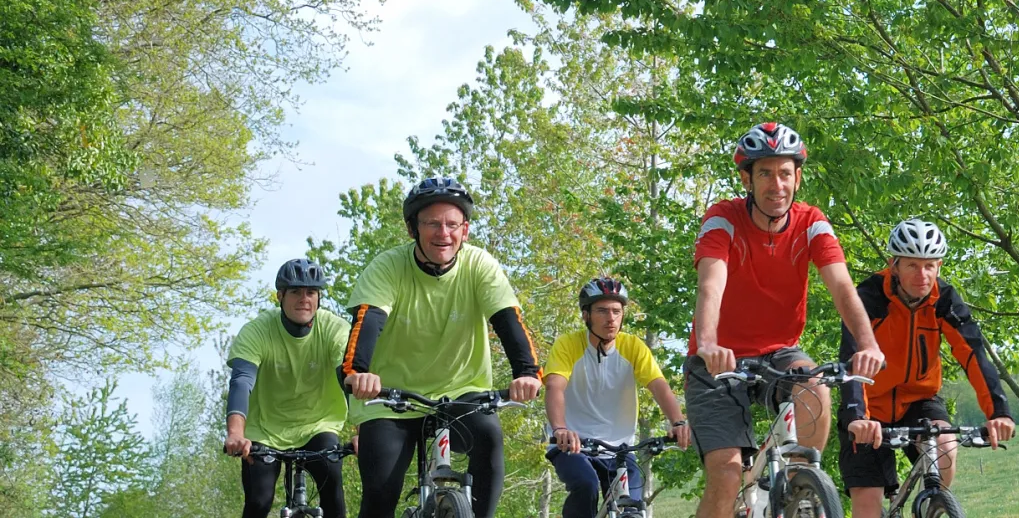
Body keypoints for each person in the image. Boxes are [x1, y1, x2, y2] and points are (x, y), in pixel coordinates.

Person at [685, 122, 887, 518]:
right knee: (726, 474)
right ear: (747, 178)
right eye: (764, 173)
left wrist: (868, 344)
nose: (776, 184)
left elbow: (843, 288)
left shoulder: (812, 222)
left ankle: (801, 488)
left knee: (815, 385)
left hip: (779, 352)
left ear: (797, 178)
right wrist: (708, 343)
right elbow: (711, 284)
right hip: (716, 360)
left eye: (784, 173)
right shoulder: (722, 219)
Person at [339, 176, 543, 518]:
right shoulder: (388, 267)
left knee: (489, 436)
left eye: (452, 224)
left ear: (465, 230)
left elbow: (508, 320)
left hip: (461, 392)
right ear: (412, 229)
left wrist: (527, 373)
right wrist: (357, 373)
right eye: (432, 223)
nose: (443, 233)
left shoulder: (480, 265)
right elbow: (368, 320)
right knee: (380, 491)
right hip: (390, 398)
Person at [837, 219, 1016, 518]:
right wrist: (857, 417)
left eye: (930, 266)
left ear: (939, 266)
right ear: (894, 265)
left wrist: (998, 412)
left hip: (919, 401)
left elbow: (973, 354)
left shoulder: (944, 300)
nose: (923, 275)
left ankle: (934, 508)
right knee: (867, 503)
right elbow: (852, 360)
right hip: (869, 407)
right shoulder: (868, 298)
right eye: (912, 266)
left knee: (945, 445)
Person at [544, 276, 692, 518]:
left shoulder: (633, 347)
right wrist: (560, 428)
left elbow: (659, 386)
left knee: (632, 507)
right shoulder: (568, 345)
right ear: (586, 315)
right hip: (573, 446)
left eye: (616, 311)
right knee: (586, 485)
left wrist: (677, 421)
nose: (611, 318)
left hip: (620, 451)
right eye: (602, 311)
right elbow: (554, 387)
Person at [225, 259, 351, 518]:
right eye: (295, 291)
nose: (304, 299)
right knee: (259, 501)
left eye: (311, 292)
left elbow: (350, 377)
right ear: (280, 296)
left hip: (318, 424)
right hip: (265, 430)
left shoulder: (334, 329)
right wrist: (236, 433)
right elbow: (241, 381)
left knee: (334, 495)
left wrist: (365, 431)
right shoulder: (257, 331)